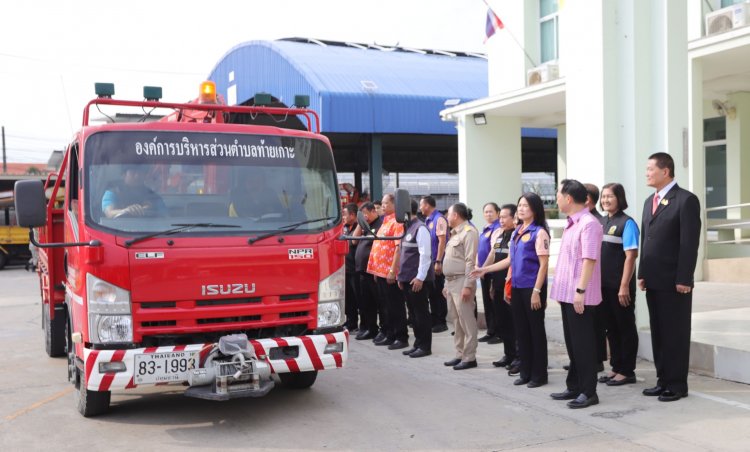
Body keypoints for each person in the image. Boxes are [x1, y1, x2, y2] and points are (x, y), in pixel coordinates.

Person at [638, 152, 701, 402]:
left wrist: (685, 277)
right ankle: (662, 379)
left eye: (650, 169)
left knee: (675, 333)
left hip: (675, 281)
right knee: (659, 332)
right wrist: (642, 273)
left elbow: (689, 243)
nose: (647, 173)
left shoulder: (685, 200)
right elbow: (646, 240)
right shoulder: (648, 201)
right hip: (653, 279)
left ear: (666, 171)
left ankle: (677, 385)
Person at [472, 193, 550, 387]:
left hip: (531, 289)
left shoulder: (539, 233)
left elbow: (544, 265)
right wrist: (485, 269)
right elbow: (509, 261)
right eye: (520, 205)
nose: (521, 209)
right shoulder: (517, 232)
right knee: (521, 331)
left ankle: (539, 375)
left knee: (535, 332)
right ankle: (525, 372)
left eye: (525, 206)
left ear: (535, 209)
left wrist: (537, 291)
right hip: (516, 288)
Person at [549, 179, 603, 409]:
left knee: (584, 345)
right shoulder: (572, 223)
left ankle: (589, 392)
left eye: (559, 194)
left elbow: (589, 260)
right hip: (567, 294)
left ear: (568, 198)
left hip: (579, 295)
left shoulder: (589, 224)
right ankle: (574, 386)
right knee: (572, 344)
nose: (557, 198)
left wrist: (580, 290)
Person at [598, 183, 640, 386]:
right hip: (604, 286)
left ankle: (627, 370)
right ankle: (616, 367)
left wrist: (624, 285)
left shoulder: (627, 223)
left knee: (625, 328)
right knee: (611, 329)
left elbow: (631, 256)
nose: (606, 200)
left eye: (610, 197)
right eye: (603, 196)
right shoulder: (603, 222)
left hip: (619, 287)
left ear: (619, 198)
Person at [441, 203, 479, 370]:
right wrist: (445, 284)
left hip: (462, 281)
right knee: (456, 321)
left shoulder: (469, 233)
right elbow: (450, 260)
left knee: (466, 320)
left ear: (456, 215)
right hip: (451, 282)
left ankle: (470, 357)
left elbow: (471, 261)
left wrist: (468, 285)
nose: (447, 217)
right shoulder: (455, 233)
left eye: (448, 214)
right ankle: (460, 353)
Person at [367, 194, 407, 349]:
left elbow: (398, 248)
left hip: (390, 272)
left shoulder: (397, 222)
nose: (382, 206)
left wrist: (392, 270)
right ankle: (390, 334)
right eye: (382, 203)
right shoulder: (385, 222)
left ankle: (401, 337)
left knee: (395, 305)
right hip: (381, 272)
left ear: (394, 204)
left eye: (385, 203)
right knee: (386, 306)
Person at [481, 203, 517, 369]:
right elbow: (493, 254)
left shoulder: (516, 235)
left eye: (504, 217)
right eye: (500, 217)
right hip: (496, 284)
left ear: (513, 217)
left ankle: (518, 356)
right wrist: (483, 271)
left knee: (513, 322)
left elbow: (510, 260)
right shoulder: (499, 234)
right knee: (502, 322)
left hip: (510, 286)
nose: (501, 220)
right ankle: (508, 354)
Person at [398, 199, 434, 358]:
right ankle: (418, 343)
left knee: (421, 314)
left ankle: (425, 346)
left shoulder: (420, 228)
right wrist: (401, 276)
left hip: (417, 280)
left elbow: (425, 255)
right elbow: (403, 254)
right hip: (407, 278)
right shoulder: (407, 227)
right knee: (413, 314)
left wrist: (420, 277)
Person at [584, 182, 607, 374]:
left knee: (596, 324)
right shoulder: (581, 220)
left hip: (597, 280)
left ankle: (597, 359)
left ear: (588, 200)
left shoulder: (595, 222)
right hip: (589, 280)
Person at [353, 202, 383, 340]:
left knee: (379, 302)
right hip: (363, 271)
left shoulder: (380, 225)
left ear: (373, 211)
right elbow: (354, 241)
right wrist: (361, 222)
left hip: (373, 272)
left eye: (365, 213)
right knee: (367, 303)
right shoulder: (367, 226)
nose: (364, 217)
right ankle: (370, 328)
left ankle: (383, 329)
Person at [419, 196, 449, 333]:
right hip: (429, 262)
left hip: (437, 262)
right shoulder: (428, 219)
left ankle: (441, 321)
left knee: (438, 291)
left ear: (426, 205)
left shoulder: (439, 219)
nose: (420, 208)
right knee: (432, 292)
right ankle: (434, 318)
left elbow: (442, 241)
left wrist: (438, 261)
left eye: (421, 205)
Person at [477, 203, 502, 344]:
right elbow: (479, 249)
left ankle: (498, 332)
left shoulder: (497, 229)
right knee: (487, 302)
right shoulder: (485, 229)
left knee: (494, 303)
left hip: (491, 271)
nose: (488, 214)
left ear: (497, 213)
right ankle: (490, 331)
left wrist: (484, 268)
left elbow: (493, 252)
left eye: (491, 212)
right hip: (483, 271)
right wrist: (477, 265)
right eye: (486, 212)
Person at [102, 165, 166, 218]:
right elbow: (109, 213)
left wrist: (150, 209)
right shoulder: (112, 193)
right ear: (124, 175)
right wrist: (127, 211)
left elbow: (165, 217)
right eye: (133, 173)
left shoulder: (153, 197)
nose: (137, 176)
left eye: (140, 173)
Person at [343, 203, 360, 332]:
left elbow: (354, 242)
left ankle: (361, 324)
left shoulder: (358, 228)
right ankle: (350, 322)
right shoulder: (345, 228)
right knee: (349, 299)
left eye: (345, 214)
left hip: (355, 270)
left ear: (353, 215)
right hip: (346, 270)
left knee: (358, 299)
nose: (343, 217)